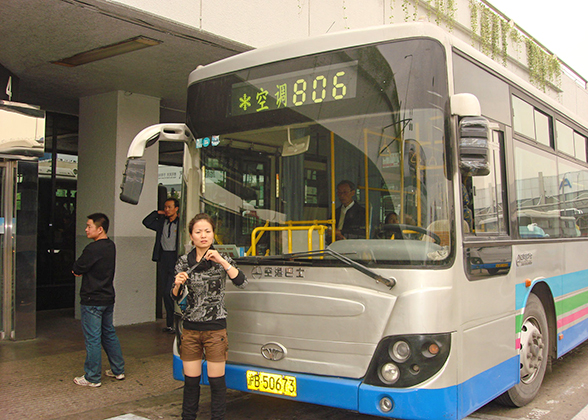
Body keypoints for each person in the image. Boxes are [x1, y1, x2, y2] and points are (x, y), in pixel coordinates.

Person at [172, 213, 247, 420]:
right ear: (191, 236)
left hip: (215, 329)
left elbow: (241, 281)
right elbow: (175, 296)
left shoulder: (221, 259)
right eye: (198, 232)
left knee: (216, 382)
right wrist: (178, 283)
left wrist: (222, 261)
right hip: (190, 329)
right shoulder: (183, 262)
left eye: (207, 231)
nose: (203, 236)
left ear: (213, 234)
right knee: (191, 381)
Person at [72, 213, 125, 387]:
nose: (86, 229)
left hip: (91, 299)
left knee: (93, 338)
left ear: (99, 229)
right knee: (109, 334)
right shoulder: (111, 246)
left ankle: (92, 377)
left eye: (89, 226)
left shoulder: (92, 249)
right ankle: (118, 370)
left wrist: (79, 270)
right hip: (107, 298)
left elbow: (77, 268)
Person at [143, 198, 180, 333]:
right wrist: (157, 213)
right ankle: (170, 324)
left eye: (170, 207)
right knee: (165, 292)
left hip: (175, 258)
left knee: (170, 291)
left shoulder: (180, 223)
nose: (167, 209)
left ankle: (177, 322)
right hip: (164, 258)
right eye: (165, 207)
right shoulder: (162, 223)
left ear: (176, 208)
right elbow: (146, 222)